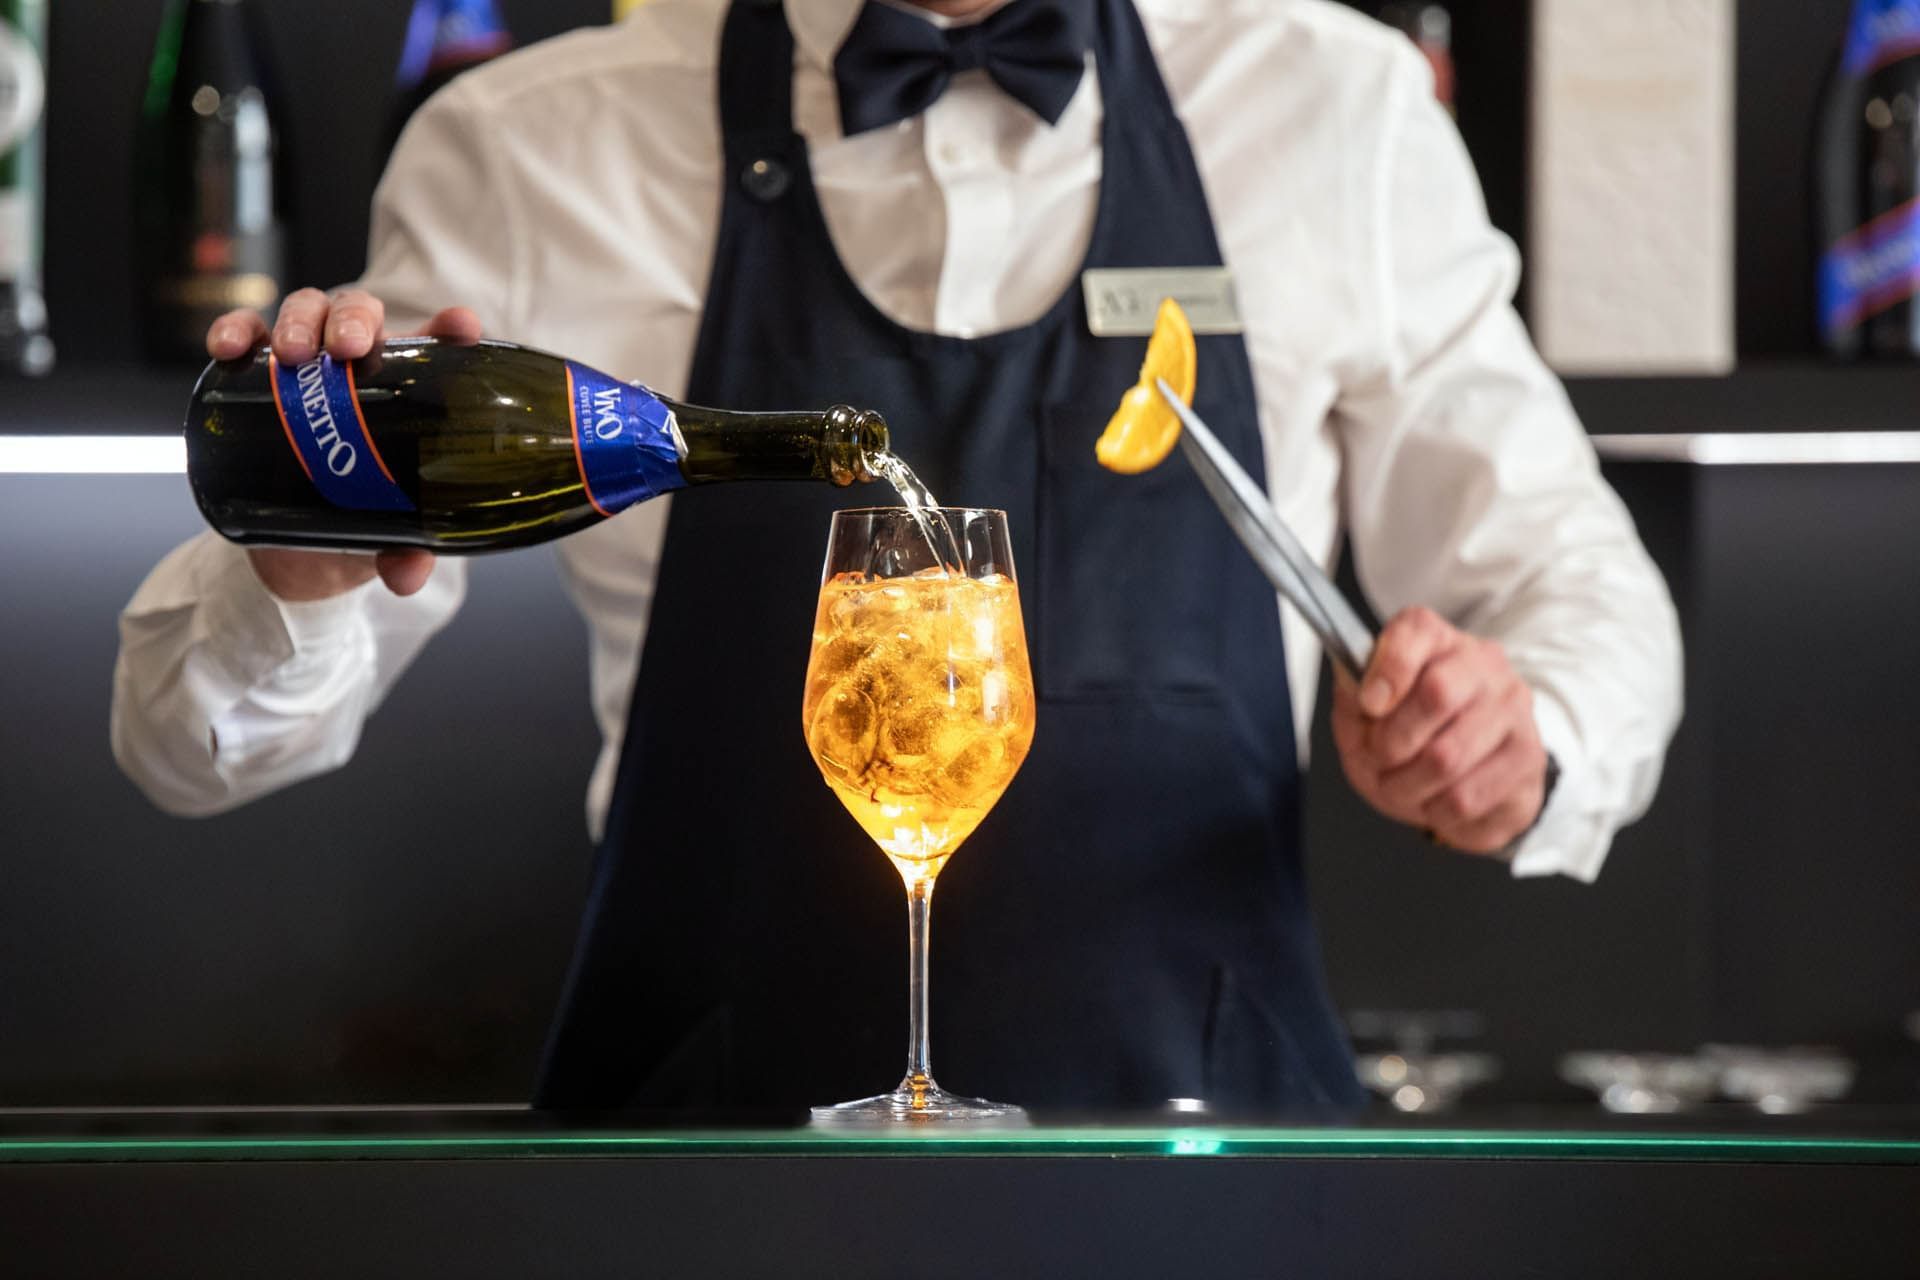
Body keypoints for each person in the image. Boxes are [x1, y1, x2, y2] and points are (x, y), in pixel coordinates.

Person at [113, 0, 1683, 1114]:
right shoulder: (532, 148)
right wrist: (300, 565)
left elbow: (1582, 595)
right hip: (707, 1187)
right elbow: (188, 746)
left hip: (1216, 1180)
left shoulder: (1334, 108)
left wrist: (1520, 734)